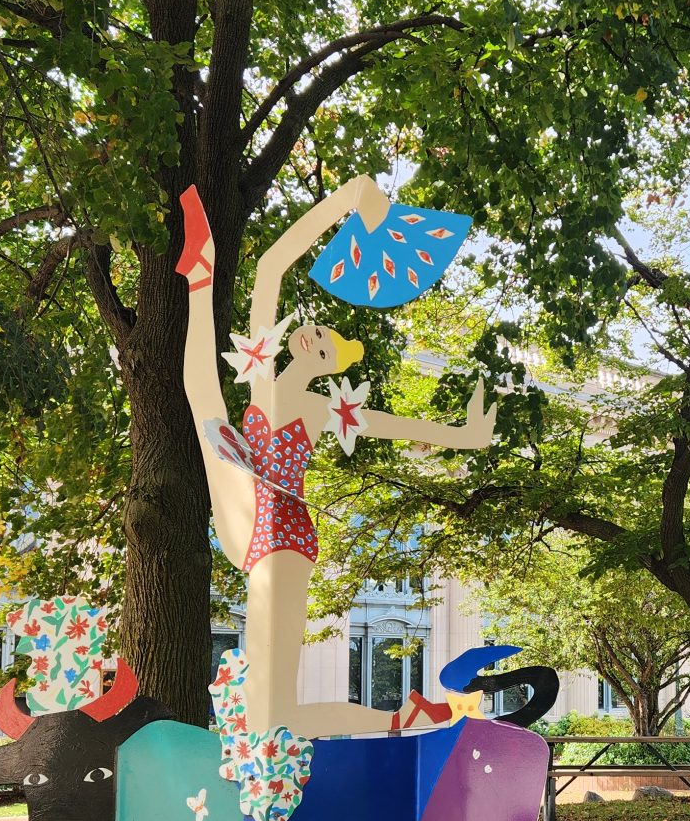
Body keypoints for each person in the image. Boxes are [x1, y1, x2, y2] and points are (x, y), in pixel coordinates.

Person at [177, 180, 496, 740]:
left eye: (324, 348)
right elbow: (270, 269)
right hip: (259, 520)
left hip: (280, 530)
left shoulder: (316, 407)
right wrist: (346, 199)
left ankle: (401, 720)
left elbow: (393, 424)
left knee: (273, 711)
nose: (312, 339)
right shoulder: (261, 378)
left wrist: (463, 436)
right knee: (203, 398)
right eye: (317, 331)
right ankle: (403, 719)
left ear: (325, 366)